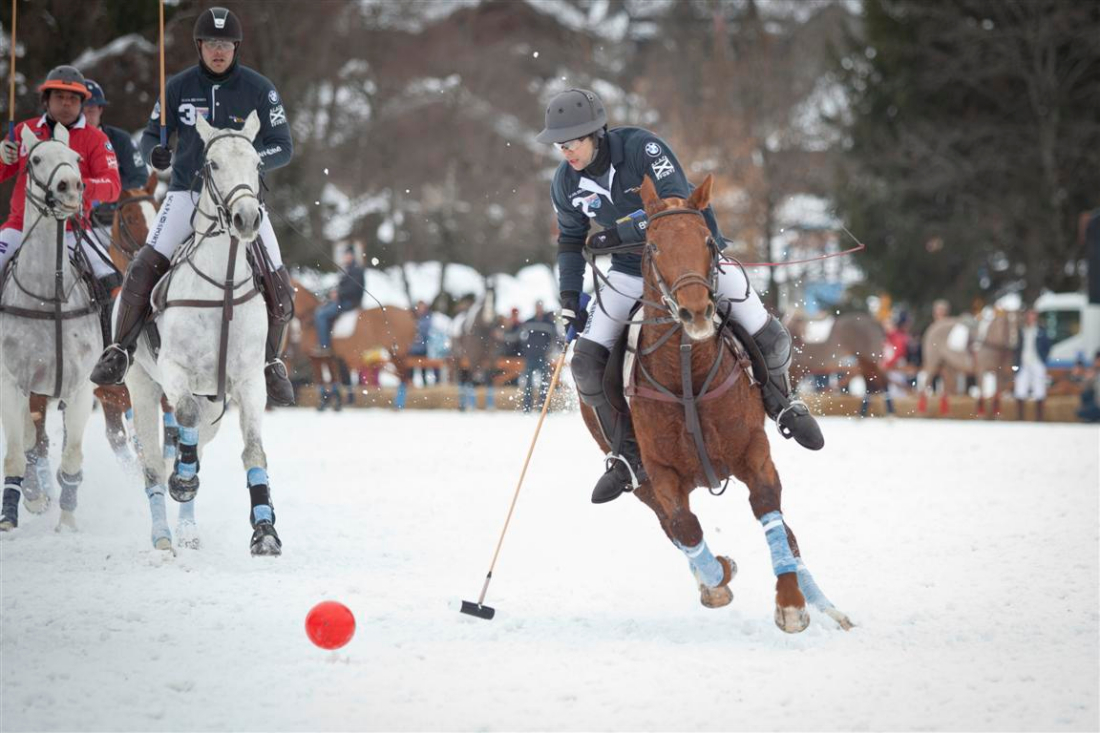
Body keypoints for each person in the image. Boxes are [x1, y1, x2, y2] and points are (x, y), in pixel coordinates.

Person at [538, 88, 823, 504]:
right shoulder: (565, 183)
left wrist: (614, 234)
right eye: (560, 145)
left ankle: (783, 403)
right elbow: (570, 241)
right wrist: (567, 299)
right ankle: (628, 457)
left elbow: (674, 207)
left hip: (691, 263)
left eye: (573, 142)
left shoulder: (642, 148)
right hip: (630, 274)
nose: (567, 152)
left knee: (768, 332)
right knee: (584, 364)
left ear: (596, 133)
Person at [89, 6, 297, 405]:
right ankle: (121, 350)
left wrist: (249, 161)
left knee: (279, 280)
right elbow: (152, 136)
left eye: (226, 44)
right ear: (199, 46)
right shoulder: (178, 86)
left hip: (240, 199)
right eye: (212, 44)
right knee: (144, 266)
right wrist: (157, 155)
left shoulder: (259, 89)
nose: (219, 51)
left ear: (236, 48)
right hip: (187, 192)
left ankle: (270, 362)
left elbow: (283, 146)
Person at [0, 65, 122, 344]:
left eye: (73, 99)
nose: (66, 104)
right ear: (47, 100)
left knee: (111, 283)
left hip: (73, 228)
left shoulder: (95, 139)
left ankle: (110, 356)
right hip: (20, 227)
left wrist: (79, 186)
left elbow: (113, 187)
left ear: (83, 103)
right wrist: (2, 157)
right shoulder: (24, 131)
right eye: (59, 97)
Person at [82, 78, 151, 256]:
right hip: (75, 222)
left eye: (90, 111)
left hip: (115, 220)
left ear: (100, 110)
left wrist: (106, 195)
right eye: (80, 111)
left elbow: (140, 178)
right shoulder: (63, 139)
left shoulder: (120, 140)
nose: (85, 117)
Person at [313, 247, 363, 353]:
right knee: (322, 309)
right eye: (345, 255)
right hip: (343, 299)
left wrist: (339, 293)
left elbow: (353, 288)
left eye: (347, 254)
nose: (345, 257)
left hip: (350, 301)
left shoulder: (355, 269)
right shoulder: (348, 268)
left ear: (352, 255)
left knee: (321, 315)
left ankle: (324, 346)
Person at [520, 300, 558, 412]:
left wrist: (549, 351)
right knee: (528, 383)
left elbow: (555, 339)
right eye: (537, 307)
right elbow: (520, 337)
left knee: (545, 383)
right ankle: (527, 406)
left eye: (540, 307)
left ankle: (544, 406)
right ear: (535, 308)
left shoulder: (549, 324)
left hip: (543, 357)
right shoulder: (528, 322)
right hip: (530, 356)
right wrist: (525, 350)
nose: (539, 309)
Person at [1013, 308, 1051, 421]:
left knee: (1039, 387)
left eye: (1033, 315)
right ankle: (1020, 417)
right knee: (1020, 387)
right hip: (1023, 363)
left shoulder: (1040, 331)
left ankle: (1039, 417)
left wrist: (1043, 358)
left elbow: (1047, 346)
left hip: (1037, 362)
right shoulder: (1021, 331)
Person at [1074, 350, 1100, 423]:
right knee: (1085, 395)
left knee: (1081, 412)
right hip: (1096, 402)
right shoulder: (1094, 373)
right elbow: (1084, 386)